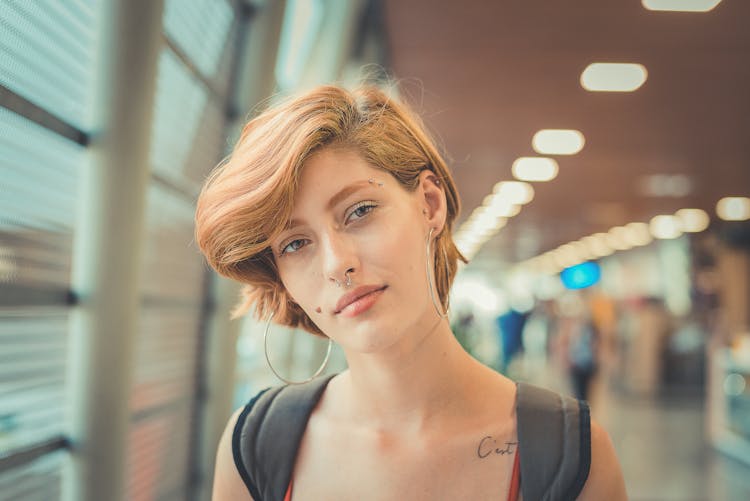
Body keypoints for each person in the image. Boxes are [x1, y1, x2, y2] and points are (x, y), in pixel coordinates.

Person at [195, 84, 627, 500]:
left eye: (359, 211)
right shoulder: (255, 449)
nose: (336, 264)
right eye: (295, 244)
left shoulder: (566, 455)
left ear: (430, 204)